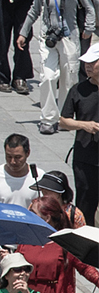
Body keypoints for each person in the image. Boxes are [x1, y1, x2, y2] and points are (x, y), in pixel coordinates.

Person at [18, 0, 92, 134]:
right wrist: (23, 32)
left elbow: (89, 9)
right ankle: (48, 118)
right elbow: (34, 11)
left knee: (69, 78)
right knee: (48, 76)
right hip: (48, 37)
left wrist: (88, 29)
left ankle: (64, 117)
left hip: (69, 38)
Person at [60, 43, 99, 222]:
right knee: (85, 206)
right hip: (85, 158)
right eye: (86, 63)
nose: (88, 66)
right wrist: (84, 125)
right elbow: (64, 121)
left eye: (93, 62)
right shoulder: (79, 90)